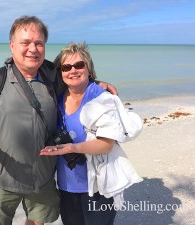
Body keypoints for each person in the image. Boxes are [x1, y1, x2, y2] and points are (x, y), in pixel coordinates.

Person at [0, 16, 117, 225]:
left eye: (39, 43)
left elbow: (75, 76)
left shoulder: (53, 77)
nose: (32, 49)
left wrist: (97, 83)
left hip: (43, 179)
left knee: (36, 222)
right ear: (12, 45)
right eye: (25, 43)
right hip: (4, 178)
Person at [40, 42, 142, 225]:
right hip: (66, 185)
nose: (73, 71)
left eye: (79, 65)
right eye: (66, 67)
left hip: (97, 186)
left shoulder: (100, 97)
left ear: (89, 69)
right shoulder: (58, 95)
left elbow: (106, 144)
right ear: (60, 72)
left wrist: (72, 148)